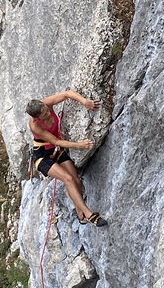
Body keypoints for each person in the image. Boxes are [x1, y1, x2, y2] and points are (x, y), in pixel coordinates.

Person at [26, 90, 107, 227]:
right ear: (36, 118)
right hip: (43, 156)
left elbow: (67, 94)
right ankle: (89, 214)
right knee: (68, 179)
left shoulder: (46, 103)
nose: (48, 112)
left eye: (47, 110)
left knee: (75, 179)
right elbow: (56, 141)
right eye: (44, 113)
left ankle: (80, 215)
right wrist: (79, 145)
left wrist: (85, 102)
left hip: (56, 150)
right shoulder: (35, 125)